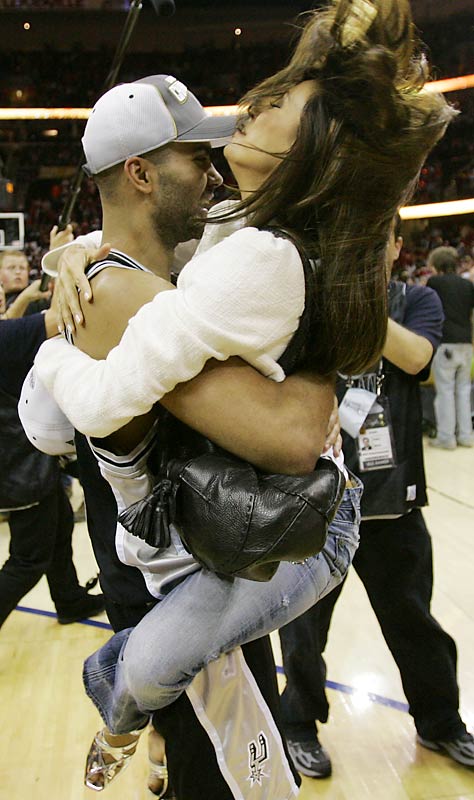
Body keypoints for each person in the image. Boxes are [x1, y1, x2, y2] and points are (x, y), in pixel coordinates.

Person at [33, 0, 454, 793]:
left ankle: (131, 718)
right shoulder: (215, 239)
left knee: (192, 717)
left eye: (274, 105)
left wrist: (57, 343)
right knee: (212, 740)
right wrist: (73, 262)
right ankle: (145, 724)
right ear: (141, 175)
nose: (218, 158)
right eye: (195, 154)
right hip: (208, 540)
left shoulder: (247, 257)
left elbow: (292, 436)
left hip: (261, 527)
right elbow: (118, 264)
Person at [278, 222, 474, 779]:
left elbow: (415, 358)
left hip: (394, 501)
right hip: (320, 499)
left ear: (395, 247)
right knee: (303, 630)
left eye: (379, 235)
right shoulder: (308, 302)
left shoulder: (418, 300)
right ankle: (298, 724)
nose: (366, 245)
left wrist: (356, 300)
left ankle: (440, 722)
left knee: (415, 623)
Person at [0, 296, 105, 628]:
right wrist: (65, 275)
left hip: (25, 463)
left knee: (59, 527)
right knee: (28, 559)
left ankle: (69, 599)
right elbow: (63, 314)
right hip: (18, 471)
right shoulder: (6, 336)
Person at [426, 246, 474, 449]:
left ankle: (446, 437)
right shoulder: (467, 285)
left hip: (445, 342)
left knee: (445, 391)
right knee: (463, 391)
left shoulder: (434, 283)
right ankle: (466, 435)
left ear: (437, 265)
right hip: (466, 343)